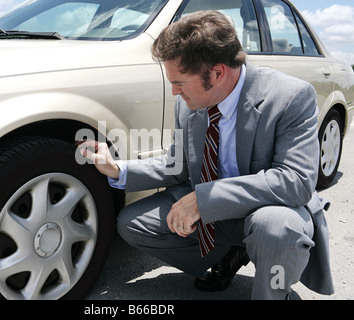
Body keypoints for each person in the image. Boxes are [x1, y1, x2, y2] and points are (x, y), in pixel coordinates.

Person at [78, 10, 334, 299]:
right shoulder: (188, 103)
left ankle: (274, 292)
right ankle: (225, 256)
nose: (174, 92)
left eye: (180, 83)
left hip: (269, 209)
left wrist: (204, 199)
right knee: (133, 223)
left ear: (216, 73)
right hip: (219, 213)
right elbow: (177, 165)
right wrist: (118, 169)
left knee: (275, 229)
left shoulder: (291, 97)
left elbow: (295, 182)